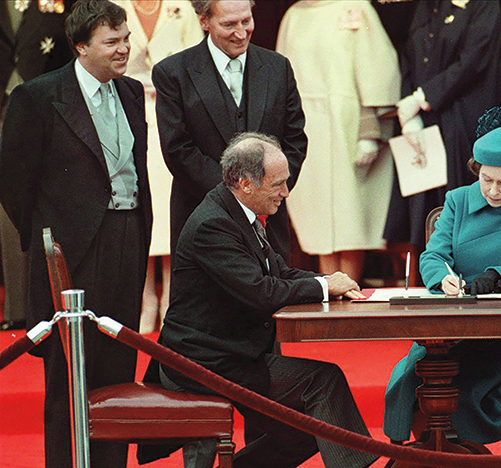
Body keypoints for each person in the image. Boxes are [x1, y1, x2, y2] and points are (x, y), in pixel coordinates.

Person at [154, 132, 377, 468]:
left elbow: (278, 272)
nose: (286, 193)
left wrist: (327, 282)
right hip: (204, 362)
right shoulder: (213, 224)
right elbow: (262, 292)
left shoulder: (234, 210)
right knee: (323, 381)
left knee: (300, 434)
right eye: (278, 185)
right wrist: (322, 288)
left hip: (231, 351)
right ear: (246, 184)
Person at [0, 1, 152, 467]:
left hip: (126, 239)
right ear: (81, 46)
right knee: (67, 381)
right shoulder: (40, 96)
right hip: (70, 253)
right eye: (112, 42)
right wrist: (51, 239)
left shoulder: (129, 92)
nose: (124, 49)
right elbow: (14, 185)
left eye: (125, 38)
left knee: (117, 372)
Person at [383, 110, 501, 444]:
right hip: (451, 326)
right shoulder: (458, 200)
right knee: (415, 378)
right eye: (486, 180)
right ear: (476, 171)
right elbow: (434, 256)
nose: (493, 191)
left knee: (467, 391)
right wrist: (442, 279)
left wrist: (497, 276)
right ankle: (418, 455)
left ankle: (452, 452)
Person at [153, 0, 306, 264]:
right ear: (204, 21)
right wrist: (236, 199)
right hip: (202, 218)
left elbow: (294, 141)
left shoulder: (277, 67)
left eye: (246, 21)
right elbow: (178, 150)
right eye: (228, 24)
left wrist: (266, 193)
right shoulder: (173, 73)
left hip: (268, 222)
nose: (240, 32)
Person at [276, 0, 400, 282]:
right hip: (306, 128)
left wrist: (371, 131)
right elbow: (280, 75)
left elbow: (376, 69)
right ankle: (330, 291)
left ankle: (349, 293)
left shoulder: (356, 8)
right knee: (319, 220)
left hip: (349, 127)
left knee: (349, 218)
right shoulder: (294, 16)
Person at [383, 0, 501, 258]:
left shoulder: (486, 6)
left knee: (459, 213)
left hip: (462, 122)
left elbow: (474, 60)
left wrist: (423, 97)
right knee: (422, 216)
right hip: (426, 121)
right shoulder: (428, 5)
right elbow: (409, 54)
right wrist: (409, 112)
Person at [118, 0, 203, 332]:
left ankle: (170, 296)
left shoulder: (182, 5)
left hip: (175, 113)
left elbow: (197, 59)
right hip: (128, 110)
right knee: (137, 200)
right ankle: (144, 299)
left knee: (170, 204)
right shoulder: (115, 4)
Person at [0, 0, 74, 331]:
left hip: (42, 106)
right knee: (6, 212)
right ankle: (17, 307)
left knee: (42, 201)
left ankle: (46, 305)